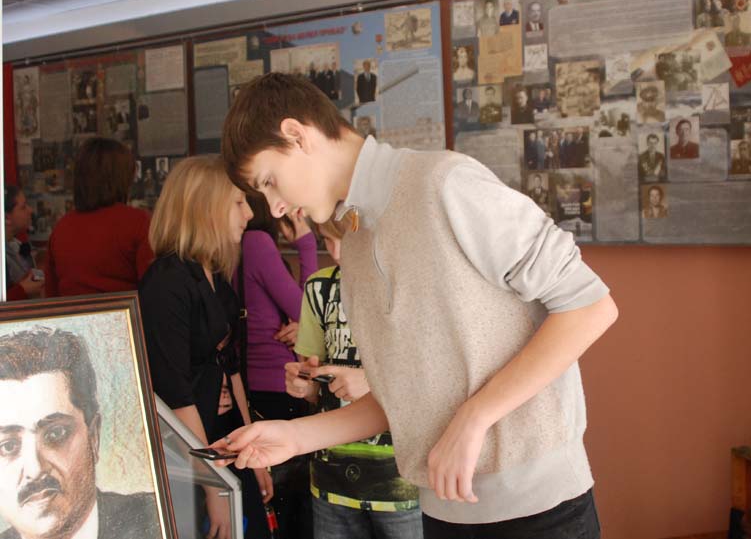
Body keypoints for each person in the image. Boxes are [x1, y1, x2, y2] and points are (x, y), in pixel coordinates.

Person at [216, 73, 617, 538]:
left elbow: (591, 307)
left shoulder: (445, 183)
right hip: (441, 512)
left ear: (297, 135)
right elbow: (400, 398)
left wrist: (475, 417)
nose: (275, 208)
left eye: (270, 182)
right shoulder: (355, 244)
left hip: (541, 509)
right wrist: (293, 437)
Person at [138, 156, 272, 539]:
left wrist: (254, 451)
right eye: (238, 203)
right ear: (205, 206)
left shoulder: (215, 277)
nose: (249, 214)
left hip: (224, 440)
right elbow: (175, 393)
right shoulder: (166, 283)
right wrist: (213, 484)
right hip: (189, 452)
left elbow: (232, 368)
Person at [287, 218, 422, 539]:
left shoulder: (412, 284)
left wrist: (372, 384)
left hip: (403, 481)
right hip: (331, 477)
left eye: (343, 240)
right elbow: (315, 387)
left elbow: (435, 381)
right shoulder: (319, 288)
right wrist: (305, 386)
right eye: (327, 240)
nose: (335, 253)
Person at [0, 327, 160, 539]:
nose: (35, 469)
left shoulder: (156, 520)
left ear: (93, 437)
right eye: (8, 446)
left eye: (55, 434)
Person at [235, 194, 318, 539]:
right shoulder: (256, 242)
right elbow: (309, 310)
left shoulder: (237, 244)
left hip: (253, 385)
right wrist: (307, 244)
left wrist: (303, 326)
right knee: (293, 507)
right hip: (278, 384)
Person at [45, 138, 153, 297]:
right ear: (122, 178)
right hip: (124, 312)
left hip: (73, 312)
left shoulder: (62, 227)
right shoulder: (138, 222)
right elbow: (154, 291)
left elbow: (51, 295)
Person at [3, 186, 44, 301]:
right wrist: (23, 290)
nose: (31, 210)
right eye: (23, 207)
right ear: (6, 217)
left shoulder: (15, 245)